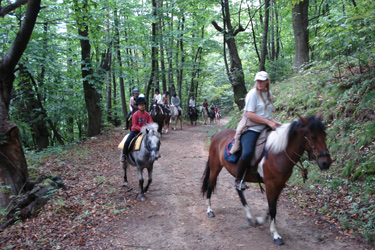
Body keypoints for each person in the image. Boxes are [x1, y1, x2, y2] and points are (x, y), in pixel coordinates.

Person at [232, 71, 281, 191]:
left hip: (265, 127)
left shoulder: (268, 93)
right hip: (251, 128)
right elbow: (250, 114)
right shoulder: (253, 94)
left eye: (262, 80)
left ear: (267, 81)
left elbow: (266, 114)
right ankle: (238, 179)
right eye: (257, 80)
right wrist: (269, 122)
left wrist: (274, 122)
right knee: (248, 152)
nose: (259, 83)